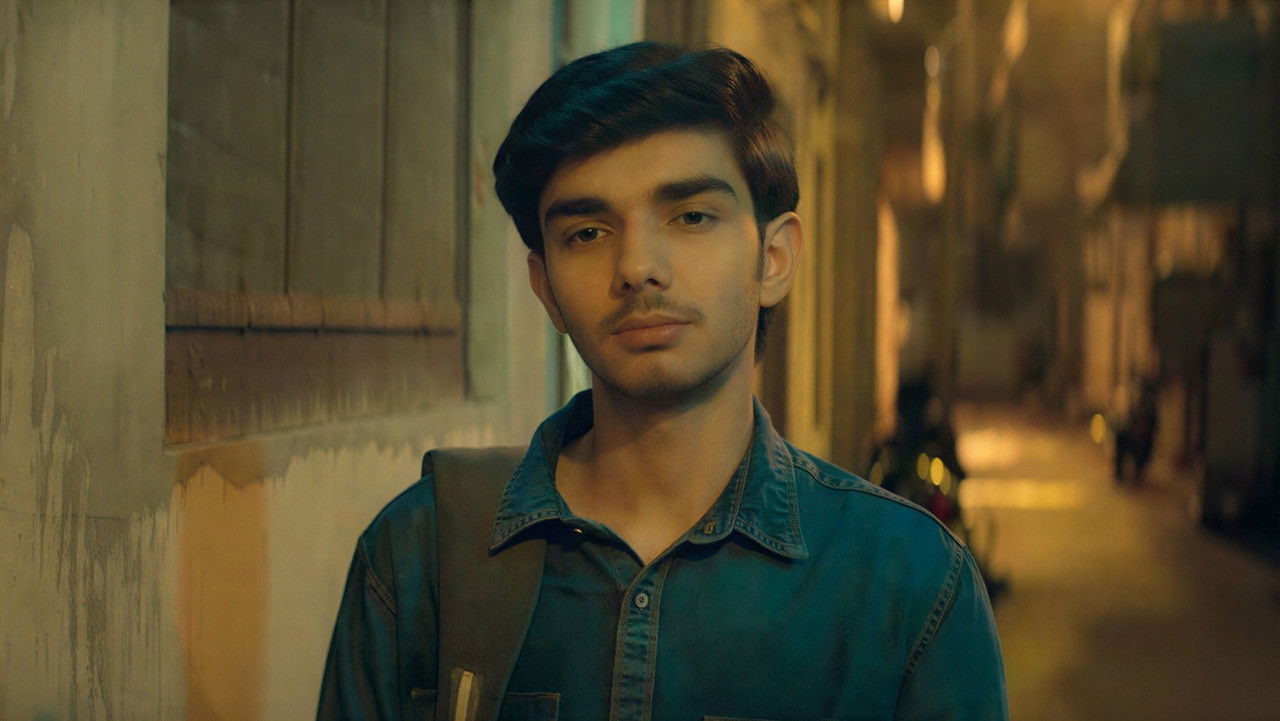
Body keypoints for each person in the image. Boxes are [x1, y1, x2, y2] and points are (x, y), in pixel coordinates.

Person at [318, 42, 1007, 721]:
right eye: (588, 233)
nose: (637, 266)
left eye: (691, 217)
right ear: (546, 288)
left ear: (773, 258)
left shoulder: (910, 586)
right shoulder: (420, 558)